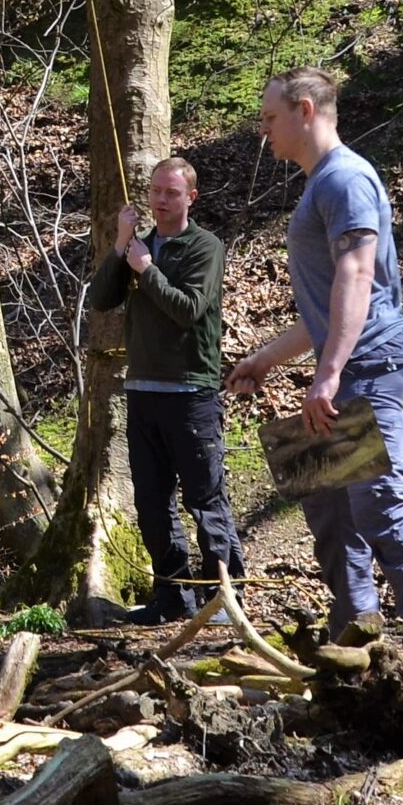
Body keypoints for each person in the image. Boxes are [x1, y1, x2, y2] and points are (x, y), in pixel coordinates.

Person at [225, 67, 403, 730]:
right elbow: (325, 306)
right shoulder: (322, 184)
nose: (264, 130)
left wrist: (329, 374)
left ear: (305, 110)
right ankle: (353, 662)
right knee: (330, 512)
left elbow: (357, 274)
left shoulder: (345, 179)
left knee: (383, 512)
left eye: (270, 118)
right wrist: (266, 359)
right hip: (348, 364)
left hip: (371, 364)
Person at [86, 156, 242, 625]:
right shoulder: (139, 245)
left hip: (192, 392)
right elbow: (101, 299)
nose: (160, 200)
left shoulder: (205, 247)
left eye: (171, 193)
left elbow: (188, 309)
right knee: (152, 502)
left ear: (190, 198)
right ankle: (172, 598)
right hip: (142, 391)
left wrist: (148, 270)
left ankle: (225, 596)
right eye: (156, 191)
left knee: (204, 498)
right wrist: (120, 245)